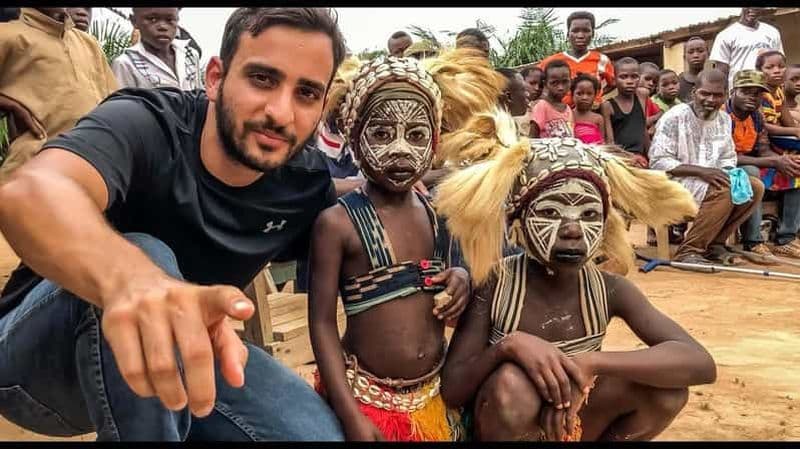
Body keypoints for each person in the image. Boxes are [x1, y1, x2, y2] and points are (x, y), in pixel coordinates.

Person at [0, 7, 350, 441]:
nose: (280, 113)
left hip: (185, 359)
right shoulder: (148, 124)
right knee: (145, 253)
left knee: (314, 435)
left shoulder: (304, 185)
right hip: (34, 373)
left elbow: (362, 238)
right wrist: (133, 281)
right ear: (215, 78)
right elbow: (31, 191)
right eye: (262, 79)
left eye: (306, 93)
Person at [434, 133, 712, 442]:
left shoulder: (609, 290)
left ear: (605, 224)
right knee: (512, 386)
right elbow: (453, 389)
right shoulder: (496, 283)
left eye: (589, 214)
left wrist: (589, 363)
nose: (572, 231)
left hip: (572, 420)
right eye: (550, 213)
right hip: (506, 420)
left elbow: (699, 362)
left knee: (666, 393)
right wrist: (508, 346)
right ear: (519, 221)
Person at [309, 53, 485, 441]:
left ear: (435, 143)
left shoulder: (438, 213)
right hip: (365, 400)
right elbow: (321, 324)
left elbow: (445, 279)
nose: (401, 150)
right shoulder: (337, 224)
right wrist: (349, 413)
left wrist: (460, 277)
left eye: (417, 135)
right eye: (382, 134)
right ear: (355, 140)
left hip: (434, 398)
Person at [650, 69, 765, 265]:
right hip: (675, 182)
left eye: (717, 95)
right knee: (724, 189)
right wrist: (702, 172)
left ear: (725, 95)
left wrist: (728, 172)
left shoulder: (724, 119)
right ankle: (689, 250)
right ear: (694, 92)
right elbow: (659, 161)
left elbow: (727, 157)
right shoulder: (674, 116)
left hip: (712, 181)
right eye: (705, 93)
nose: (710, 100)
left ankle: (714, 244)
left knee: (754, 187)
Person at [0, 7, 118, 182]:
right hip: (33, 168)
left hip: (94, 166)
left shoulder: (88, 44)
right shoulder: (8, 35)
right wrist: (8, 103)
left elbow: (114, 103)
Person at [727, 70, 800, 259]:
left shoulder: (756, 117)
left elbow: (764, 149)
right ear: (733, 92)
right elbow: (726, 158)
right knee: (752, 173)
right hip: (726, 167)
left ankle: (786, 238)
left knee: (795, 170)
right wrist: (772, 161)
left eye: (757, 94)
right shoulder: (723, 116)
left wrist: (783, 160)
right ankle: (753, 241)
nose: (752, 98)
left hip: (754, 161)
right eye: (746, 92)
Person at [538, 11, 615, 109]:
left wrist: (596, 96)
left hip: (592, 113)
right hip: (560, 114)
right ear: (568, 34)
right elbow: (535, 84)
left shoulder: (602, 60)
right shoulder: (551, 62)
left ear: (593, 34)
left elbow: (613, 84)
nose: (580, 35)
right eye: (575, 31)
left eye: (586, 31)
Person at [111, 8, 201, 91]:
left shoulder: (190, 55)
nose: (163, 27)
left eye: (170, 20)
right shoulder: (126, 63)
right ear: (134, 21)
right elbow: (121, 101)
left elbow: (200, 93)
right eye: (152, 19)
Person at [710, 7, 784, 89]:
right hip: (740, 90)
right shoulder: (725, 35)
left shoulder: (772, 32)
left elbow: (780, 62)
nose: (752, 9)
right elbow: (721, 71)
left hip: (768, 90)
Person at [601, 57, 650, 167]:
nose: (629, 81)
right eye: (623, 77)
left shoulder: (642, 96)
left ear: (639, 78)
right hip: (620, 159)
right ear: (614, 80)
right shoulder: (607, 106)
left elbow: (643, 129)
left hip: (642, 159)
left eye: (634, 77)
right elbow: (610, 143)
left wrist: (652, 157)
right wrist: (629, 158)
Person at [756, 51, 800, 138]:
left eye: (781, 67)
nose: (777, 71)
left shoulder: (779, 92)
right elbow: (761, 125)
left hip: (780, 136)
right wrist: (795, 131)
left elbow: (788, 122)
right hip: (765, 138)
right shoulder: (758, 93)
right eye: (769, 67)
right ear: (759, 71)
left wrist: (796, 130)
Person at [530, 60, 574, 139]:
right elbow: (532, 137)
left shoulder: (568, 109)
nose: (560, 87)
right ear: (545, 84)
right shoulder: (542, 106)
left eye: (565, 82)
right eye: (554, 82)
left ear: (571, 82)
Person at [571, 73, 605, 144]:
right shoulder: (568, 115)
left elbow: (602, 142)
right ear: (572, 94)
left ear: (595, 95)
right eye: (579, 93)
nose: (584, 97)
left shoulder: (598, 119)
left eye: (589, 94)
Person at [497, 68, 531, 137]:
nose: (528, 94)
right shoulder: (498, 130)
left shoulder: (509, 124)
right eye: (523, 90)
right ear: (509, 97)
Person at [678, 37, 708, 103]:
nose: (695, 55)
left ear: (708, 54)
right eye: (690, 52)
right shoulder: (678, 82)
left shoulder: (714, 79)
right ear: (684, 57)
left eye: (700, 51)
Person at [638, 62, 665, 137]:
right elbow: (640, 123)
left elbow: (661, 113)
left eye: (654, 82)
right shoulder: (629, 99)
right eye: (647, 79)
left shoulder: (648, 100)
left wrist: (653, 126)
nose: (651, 83)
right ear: (636, 77)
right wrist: (654, 119)